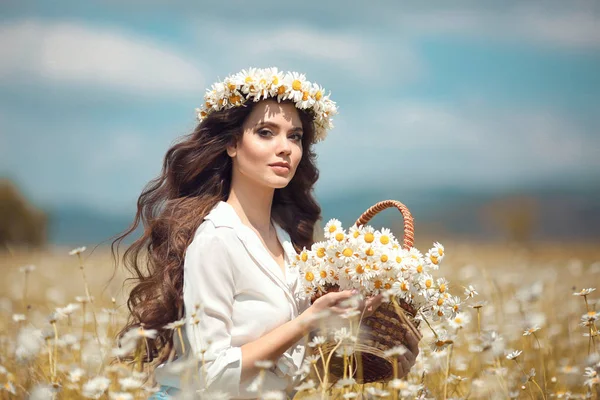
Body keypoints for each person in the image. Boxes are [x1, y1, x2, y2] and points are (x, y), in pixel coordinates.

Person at [112, 67, 421, 399]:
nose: (284, 148)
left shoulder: (290, 245)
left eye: (295, 136)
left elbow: (281, 374)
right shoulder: (217, 238)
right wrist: (309, 320)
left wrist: (367, 351)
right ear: (232, 143)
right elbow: (210, 374)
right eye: (265, 132)